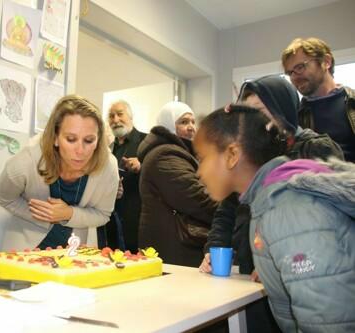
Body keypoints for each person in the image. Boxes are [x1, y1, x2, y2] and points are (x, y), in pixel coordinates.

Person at [200, 75, 344, 332]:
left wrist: (277, 262)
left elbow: (315, 246)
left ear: (283, 110)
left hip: (292, 274)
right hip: (252, 272)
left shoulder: (313, 150)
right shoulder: (249, 161)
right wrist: (214, 249)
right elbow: (227, 210)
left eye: (260, 113)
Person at [0, 95, 119, 250]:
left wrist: (68, 213)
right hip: (25, 248)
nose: (80, 151)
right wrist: (47, 216)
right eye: (71, 139)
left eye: (89, 141)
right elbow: (5, 198)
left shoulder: (108, 166)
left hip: (75, 252)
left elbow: (103, 214)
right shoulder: (25, 162)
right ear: (55, 138)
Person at [137, 101, 216, 267]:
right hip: (175, 249)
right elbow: (198, 199)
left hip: (177, 245)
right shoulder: (166, 155)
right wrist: (229, 210)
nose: (191, 127)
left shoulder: (178, 152)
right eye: (184, 122)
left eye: (193, 122)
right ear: (167, 125)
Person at [282, 37, 355, 162]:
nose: (294, 78)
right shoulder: (294, 116)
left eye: (299, 68)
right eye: (290, 73)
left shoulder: (352, 102)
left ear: (326, 62)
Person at [101, 100, 146, 251]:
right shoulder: (108, 150)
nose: (115, 120)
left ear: (131, 116)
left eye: (120, 114)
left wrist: (142, 166)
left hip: (138, 218)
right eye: (111, 116)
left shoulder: (147, 141)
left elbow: (161, 174)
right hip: (111, 219)